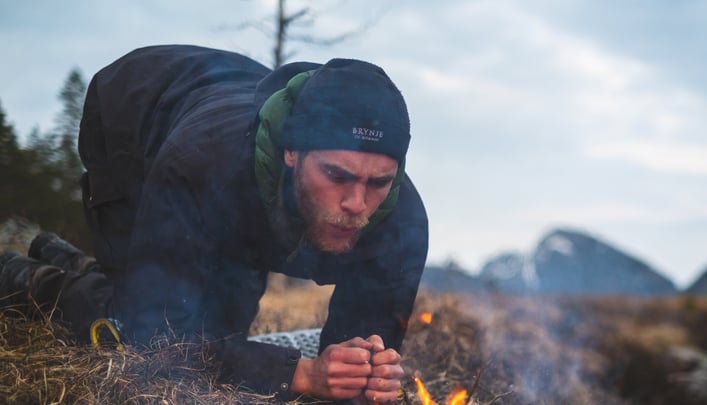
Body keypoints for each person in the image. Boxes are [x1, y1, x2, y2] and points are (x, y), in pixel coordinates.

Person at [0, 45, 428, 403]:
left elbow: (360, 356)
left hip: (230, 162)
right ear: (291, 152)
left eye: (379, 182)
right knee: (134, 328)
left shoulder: (401, 219)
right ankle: (22, 276)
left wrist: (361, 374)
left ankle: (60, 254)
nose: (356, 204)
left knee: (224, 336)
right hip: (133, 111)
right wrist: (301, 374)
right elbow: (161, 339)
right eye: (336, 175)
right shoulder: (199, 168)